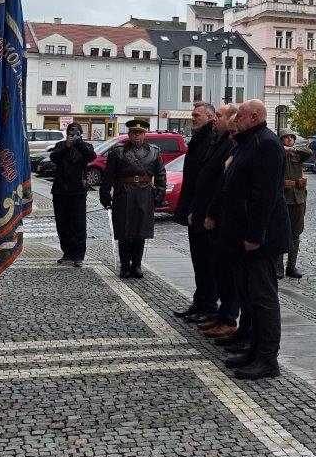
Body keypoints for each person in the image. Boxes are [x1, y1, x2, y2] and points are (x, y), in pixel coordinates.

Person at [218, 100, 289, 381]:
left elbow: (264, 196)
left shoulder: (267, 144)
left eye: (242, 116)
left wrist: (254, 235)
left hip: (261, 237)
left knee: (263, 299)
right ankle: (254, 349)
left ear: (255, 116)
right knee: (249, 296)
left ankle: (268, 359)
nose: (237, 121)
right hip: (244, 234)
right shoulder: (249, 142)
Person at [196, 105, 241, 341]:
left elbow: (223, 185)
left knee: (228, 274)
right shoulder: (218, 141)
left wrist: (213, 212)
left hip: (226, 220)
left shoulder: (230, 144)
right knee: (218, 270)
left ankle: (228, 318)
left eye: (220, 116)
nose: (215, 120)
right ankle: (223, 315)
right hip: (214, 214)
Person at [99, 118, 165, 279]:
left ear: (145, 134)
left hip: (144, 195)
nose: (137, 136)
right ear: (128, 134)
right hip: (123, 194)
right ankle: (124, 266)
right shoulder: (118, 151)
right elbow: (107, 176)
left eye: (140, 133)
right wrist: (105, 195)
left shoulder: (154, 151)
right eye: (134, 133)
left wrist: (159, 195)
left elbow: (161, 176)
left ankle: (136, 265)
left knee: (140, 232)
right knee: (124, 232)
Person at [172, 103, 216, 318]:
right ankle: (200, 302)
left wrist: (201, 209)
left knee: (206, 262)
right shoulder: (200, 138)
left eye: (197, 115)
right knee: (199, 260)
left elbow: (207, 180)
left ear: (210, 116)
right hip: (194, 207)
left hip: (201, 209)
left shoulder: (210, 139)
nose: (193, 119)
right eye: (192, 115)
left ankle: (207, 305)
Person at [47, 122, 97, 269]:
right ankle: (67, 253)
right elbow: (53, 157)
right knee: (62, 224)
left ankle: (78, 255)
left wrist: (79, 143)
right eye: (70, 132)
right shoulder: (60, 145)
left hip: (78, 191)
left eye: (76, 133)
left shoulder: (86, 146)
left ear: (80, 134)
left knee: (79, 224)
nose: (72, 135)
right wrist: (67, 147)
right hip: (60, 190)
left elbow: (91, 157)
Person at [278, 131, 311, 279]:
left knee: (295, 234)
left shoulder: (298, 153)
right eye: (286, 137)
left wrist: (293, 149)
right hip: (283, 199)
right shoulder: (277, 153)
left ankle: (291, 267)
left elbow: (309, 151)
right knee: (280, 233)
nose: (289, 139)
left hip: (298, 199)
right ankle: (278, 268)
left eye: (292, 137)